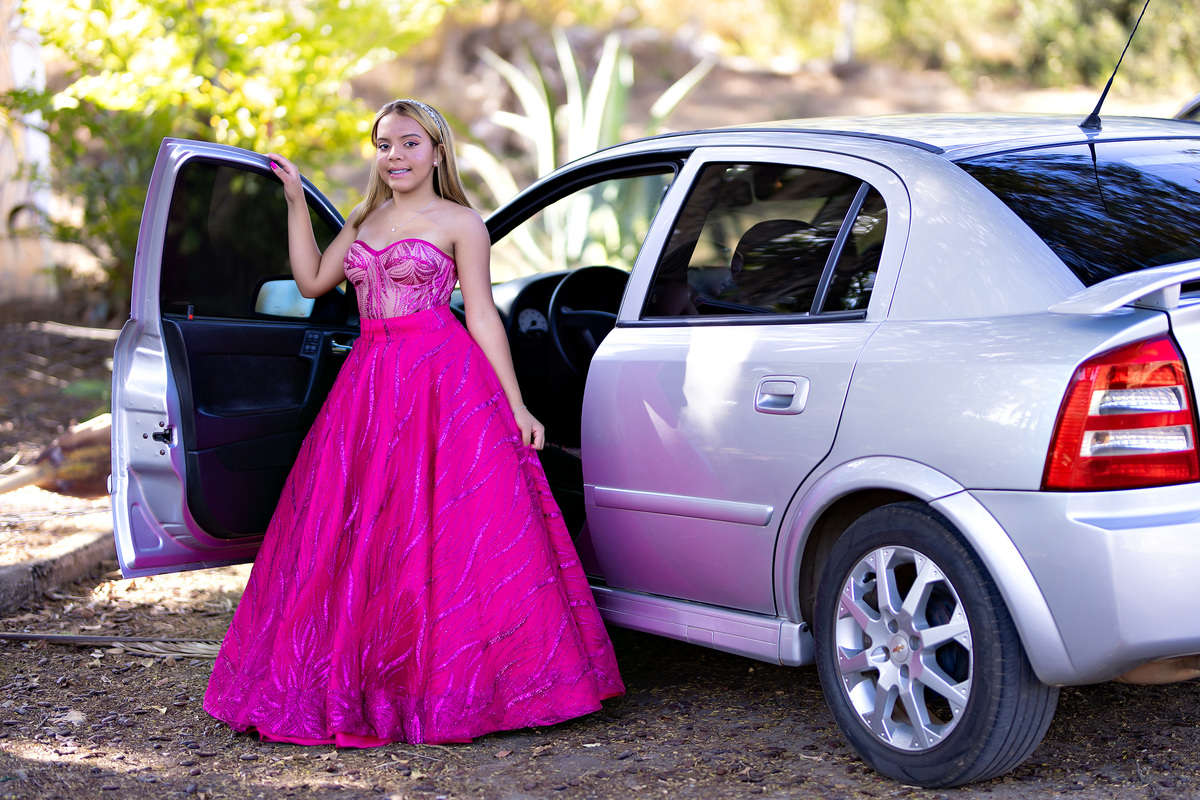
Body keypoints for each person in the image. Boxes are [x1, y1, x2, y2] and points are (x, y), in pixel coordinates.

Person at [203, 98, 624, 747]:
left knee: (447, 524)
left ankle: (452, 683)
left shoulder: (461, 222)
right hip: (369, 381)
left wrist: (515, 404)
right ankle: (369, 676)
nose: (394, 156)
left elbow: (481, 314)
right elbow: (312, 281)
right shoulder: (363, 218)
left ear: (436, 150)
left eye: (408, 143)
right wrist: (294, 201)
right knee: (362, 522)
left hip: (440, 377)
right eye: (384, 145)